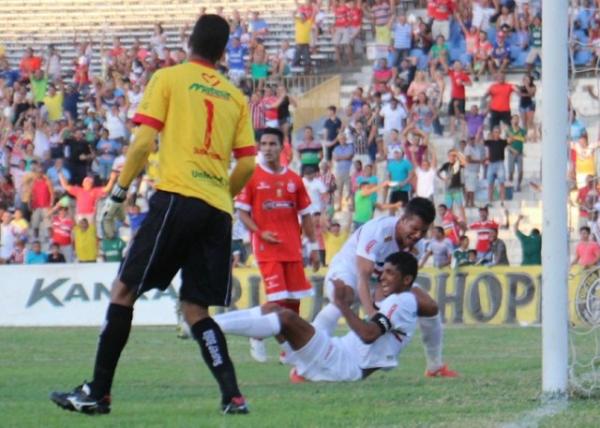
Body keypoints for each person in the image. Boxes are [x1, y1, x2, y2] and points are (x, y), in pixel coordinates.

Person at [51, 15, 256, 416]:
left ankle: (99, 391)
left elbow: (144, 141)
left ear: (190, 42)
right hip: (217, 210)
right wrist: (219, 195)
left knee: (124, 291)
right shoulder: (235, 97)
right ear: (222, 51)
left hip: (178, 198)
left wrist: (120, 191)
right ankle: (233, 395)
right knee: (197, 308)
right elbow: (247, 165)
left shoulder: (169, 78)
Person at [215, 252, 419, 383]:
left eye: (390, 273)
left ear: (407, 279)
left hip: (344, 365)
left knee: (286, 318)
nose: (382, 277)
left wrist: (341, 304)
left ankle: (208, 326)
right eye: (383, 272)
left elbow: (368, 334)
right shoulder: (396, 301)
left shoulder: (403, 301)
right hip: (337, 354)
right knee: (272, 309)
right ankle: (210, 324)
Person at [312, 197, 458, 378]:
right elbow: (362, 278)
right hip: (348, 270)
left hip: (381, 279)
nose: (418, 235)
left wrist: (385, 305)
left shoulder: (417, 245)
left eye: (423, 231)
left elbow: (403, 282)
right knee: (345, 297)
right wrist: (373, 315)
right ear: (403, 219)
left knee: (430, 306)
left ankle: (435, 367)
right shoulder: (378, 231)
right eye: (414, 229)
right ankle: (307, 358)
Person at [235, 127, 320, 363]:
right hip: (267, 250)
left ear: (282, 147)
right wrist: (260, 233)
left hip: (293, 248)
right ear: (259, 147)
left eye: (272, 144)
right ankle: (258, 335)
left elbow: (306, 216)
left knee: (293, 303)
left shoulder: (294, 180)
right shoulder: (252, 176)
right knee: (277, 301)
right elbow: (242, 214)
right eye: (264, 144)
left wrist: (313, 249)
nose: (268, 148)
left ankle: (289, 351)